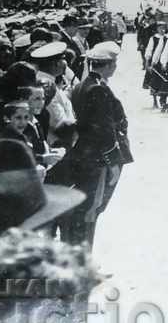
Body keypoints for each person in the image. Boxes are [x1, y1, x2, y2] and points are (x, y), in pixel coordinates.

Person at [49, 41, 132, 249]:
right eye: (113, 63)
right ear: (106, 65)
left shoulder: (83, 86)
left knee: (88, 209)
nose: (114, 67)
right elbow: (104, 129)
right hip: (97, 159)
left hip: (87, 155)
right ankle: (83, 259)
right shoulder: (97, 89)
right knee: (90, 210)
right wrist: (112, 162)